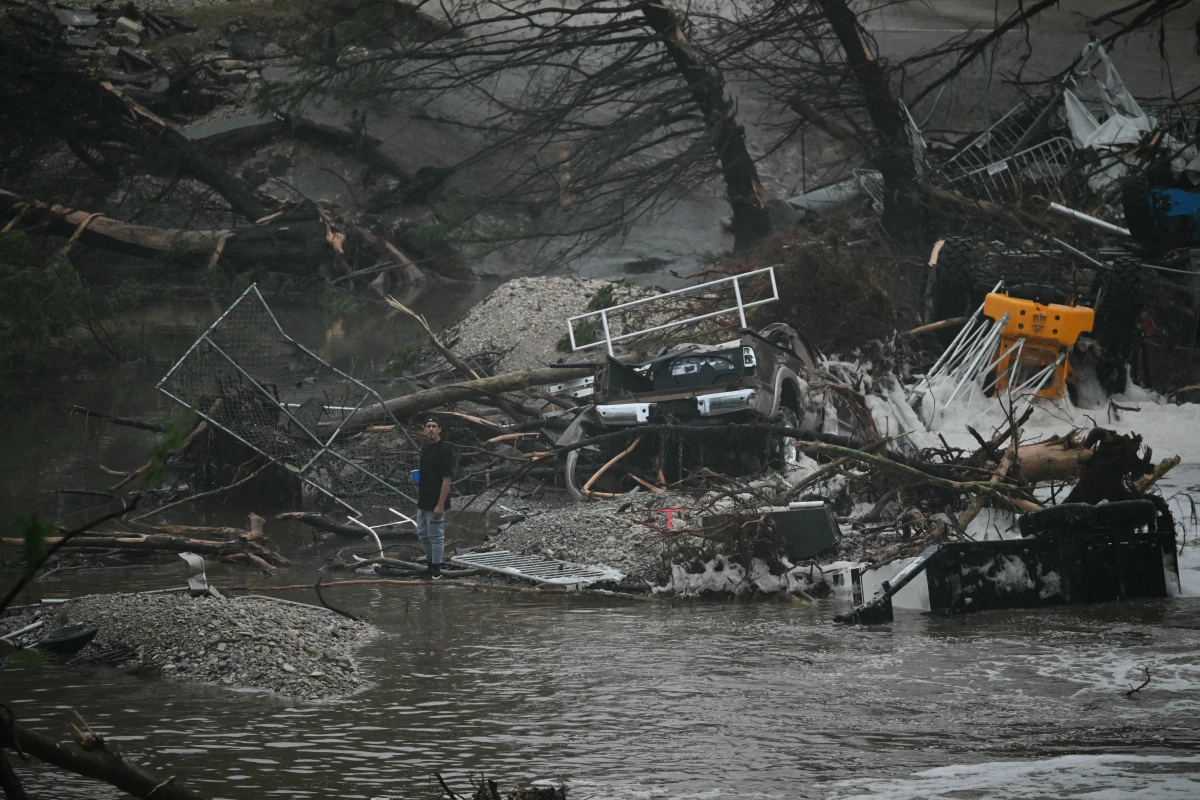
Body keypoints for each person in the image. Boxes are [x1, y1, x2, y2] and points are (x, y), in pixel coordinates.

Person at [416, 418, 453, 579]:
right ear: (424, 430)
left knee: (436, 535)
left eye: (434, 427)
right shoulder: (425, 447)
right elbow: (426, 472)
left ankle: (436, 569)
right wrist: (417, 479)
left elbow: (446, 479)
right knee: (422, 533)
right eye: (428, 426)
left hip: (436, 501)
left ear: (439, 430)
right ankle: (430, 563)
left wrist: (440, 505)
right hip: (423, 499)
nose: (431, 429)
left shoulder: (444, 449)